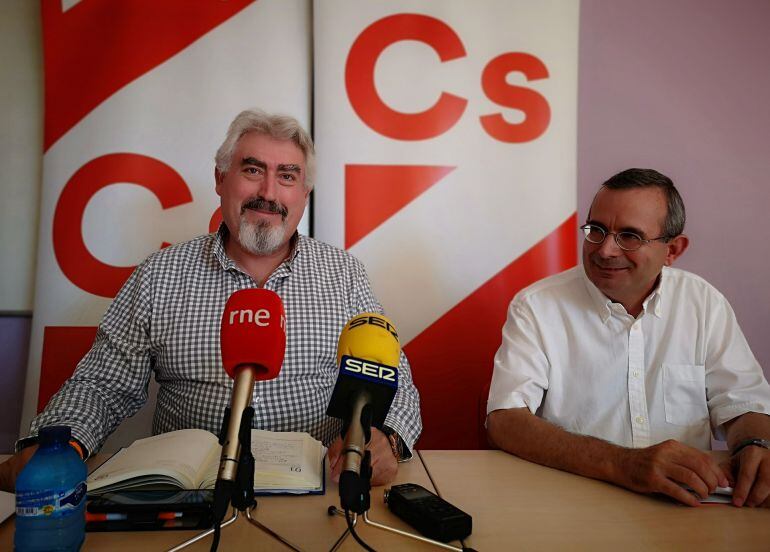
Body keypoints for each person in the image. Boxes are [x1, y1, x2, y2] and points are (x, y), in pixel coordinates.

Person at [0, 109, 421, 492]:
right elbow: (101, 384)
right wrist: (59, 441)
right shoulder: (160, 274)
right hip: (191, 492)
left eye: (288, 176)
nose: (269, 192)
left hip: (316, 490)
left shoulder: (342, 273)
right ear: (221, 179)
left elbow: (393, 379)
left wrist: (388, 437)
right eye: (253, 170)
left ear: (304, 195)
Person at [487, 168, 770, 508]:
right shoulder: (537, 306)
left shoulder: (703, 303)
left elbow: (743, 404)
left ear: (673, 250)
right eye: (597, 230)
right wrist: (623, 464)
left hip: (686, 507)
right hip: (572, 504)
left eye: (630, 237)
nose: (605, 250)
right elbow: (505, 421)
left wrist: (755, 444)